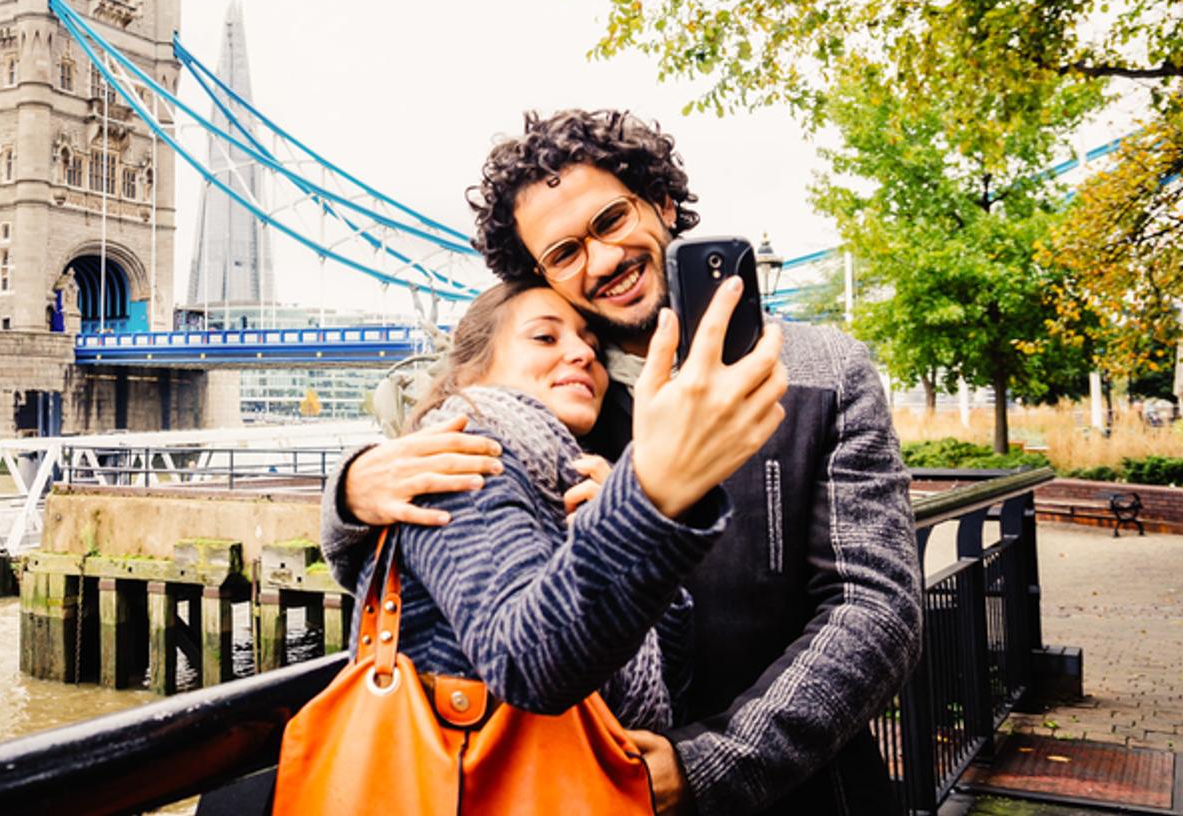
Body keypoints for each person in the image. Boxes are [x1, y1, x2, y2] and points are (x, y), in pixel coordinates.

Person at [323, 109, 923, 816]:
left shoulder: (827, 370)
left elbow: (874, 607)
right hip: (578, 788)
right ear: (539, 274)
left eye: (611, 221)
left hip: (802, 793)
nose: (602, 260)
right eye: (565, 253)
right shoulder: (547, 400)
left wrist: (712, 765)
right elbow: (433, 512)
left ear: (662, 204)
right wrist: (350, 491)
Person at [354, 275, 783, 746]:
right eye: (545, 336)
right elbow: (525, 665)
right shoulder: (459, 461)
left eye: (594, 348)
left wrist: (619, 528)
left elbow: (672, 683)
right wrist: (637, 513)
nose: (582, 354)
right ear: (469, 373)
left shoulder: (565, 478)